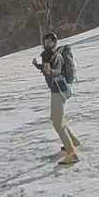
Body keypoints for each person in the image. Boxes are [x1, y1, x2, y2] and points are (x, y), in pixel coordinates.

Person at [33, 32, 81, 165]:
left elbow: (57, 71)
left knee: (57, 123)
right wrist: (39, 66)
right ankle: (74, 142)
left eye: (49, 41)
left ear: (55, 42)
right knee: (58, 119)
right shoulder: (48, 56)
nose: (46, 43)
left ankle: (72, 154)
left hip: (59, 91)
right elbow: (48, 69)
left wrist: (49, 71)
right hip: (56, 90)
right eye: (45, 41)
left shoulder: (56, 56)